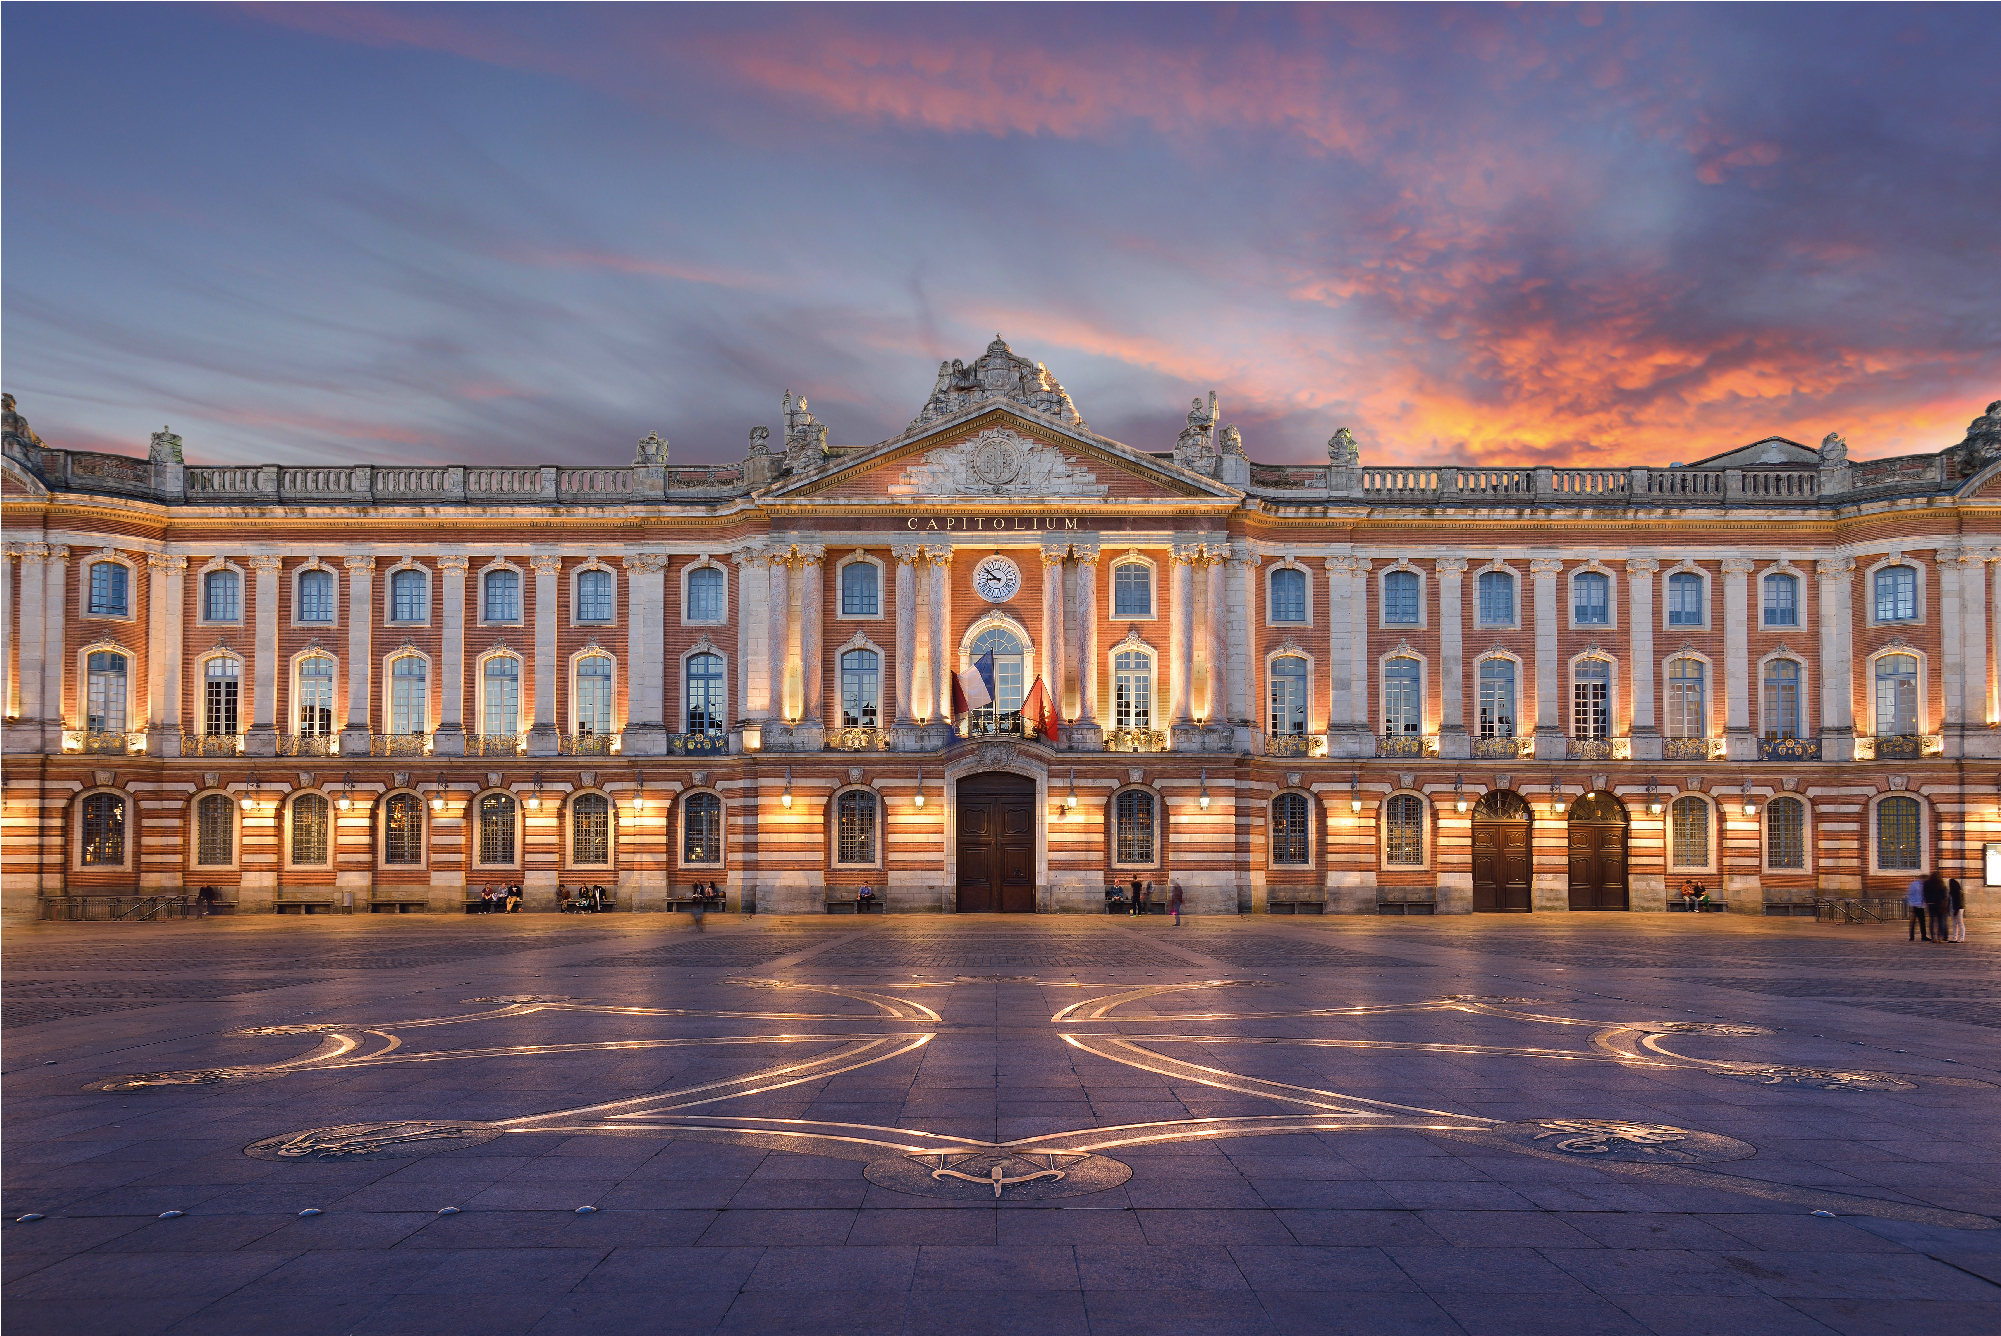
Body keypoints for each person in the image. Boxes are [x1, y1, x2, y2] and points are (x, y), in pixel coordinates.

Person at [1922, 871, 1950, 944]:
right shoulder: (1942, 884)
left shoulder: (1926, 883)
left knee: (1932, 921)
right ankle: (1939, 937)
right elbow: (1945, 896)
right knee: (1940, 921)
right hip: (1940, 904)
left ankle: (1933, 937)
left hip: (1931, 904)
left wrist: (1928, 900)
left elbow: (1924, 894)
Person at [1906, 876, 1930, 941]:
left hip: (1920, 905)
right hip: (1915, 905)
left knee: (1921, 921)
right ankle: (1912, 936)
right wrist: (1911, 902)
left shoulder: (1921, 885)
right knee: (1914, 922)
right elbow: (1910, 894)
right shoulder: (1915, 885)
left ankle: (1922, 936)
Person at [1948, 878, 1967, 942]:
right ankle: (1955, 938)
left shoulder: (1958, 891)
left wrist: (1956, 911)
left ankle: (1961, 938)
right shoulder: (1952, 892)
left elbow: (1958, 902)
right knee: (1954, 924)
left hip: (1958, 909)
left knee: (1960, 923)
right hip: (1952, 909)